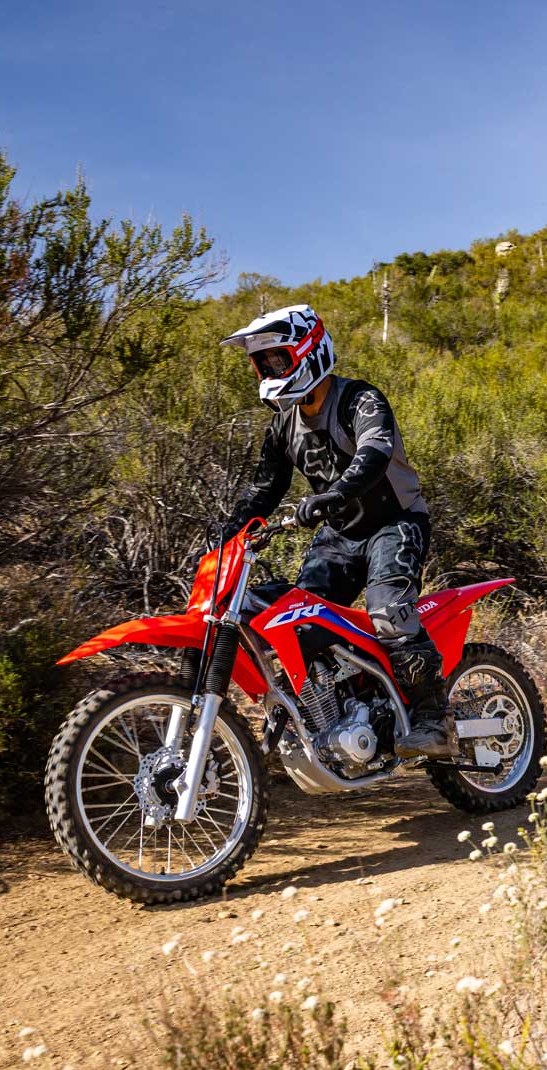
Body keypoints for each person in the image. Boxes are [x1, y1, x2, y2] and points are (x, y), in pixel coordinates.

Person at [218, 303, 449, 758]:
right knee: (296, 623)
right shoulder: (283, 425)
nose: (270, 370)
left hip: (394, 523)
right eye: (264, 363)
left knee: (388, 612)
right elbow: (264, 488)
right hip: (341, 536)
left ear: (309, 351)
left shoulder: (360, 400)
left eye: (278, 359)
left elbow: (374, 452)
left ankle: (434, 718)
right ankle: (333, 715)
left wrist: (332, 495)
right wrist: (229, 530)